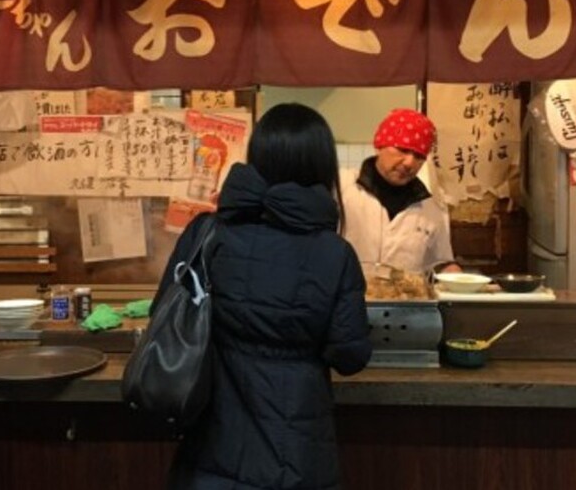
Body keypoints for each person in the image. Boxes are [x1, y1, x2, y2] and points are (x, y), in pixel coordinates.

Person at [166, 103, 372, 489]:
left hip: (213, 443)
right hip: (296, 452)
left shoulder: (207, 233)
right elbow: (349, 356)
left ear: (256, 157)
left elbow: (170, 316)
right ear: (322, 168)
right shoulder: (333, 253)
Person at [341, 108, 459, 273]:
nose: (409, 163)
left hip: (405, 297)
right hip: (346, 297)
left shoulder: (432, 209)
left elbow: (441, 263)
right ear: (379, 145)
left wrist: (458, 279)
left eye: (419, 156)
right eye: (402, 150)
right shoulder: (342, 188)